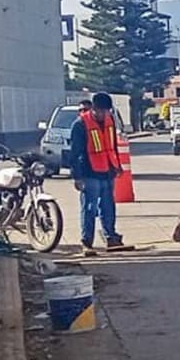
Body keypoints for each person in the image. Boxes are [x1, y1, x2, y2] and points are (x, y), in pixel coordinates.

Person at [69, 93, 132, 256]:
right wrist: (77, 177)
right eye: (102, 111)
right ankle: (87, 242)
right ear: (94, 108)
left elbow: (113, 145)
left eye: (107, 111)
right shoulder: (81, 124)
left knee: (108, 206)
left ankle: (111, 237)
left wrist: (117, 165)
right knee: (89, 208)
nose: (105, 114)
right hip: (90, 172)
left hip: (108, 170)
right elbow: (74, 153)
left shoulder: (110, 120)